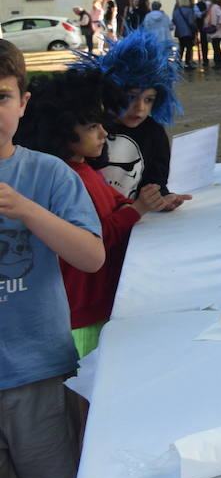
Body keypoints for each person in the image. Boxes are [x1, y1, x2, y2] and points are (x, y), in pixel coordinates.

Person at [0, 40, 103, 478]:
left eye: (1, 97)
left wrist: (24, 210)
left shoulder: (48, 174)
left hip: (36, 372)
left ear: (23, 103)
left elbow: (90, 256)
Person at [15, 68, 167, 358]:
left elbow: (116, 203)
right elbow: (98, 234)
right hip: (85, 308)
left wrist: (151, 202)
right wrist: (138, 209)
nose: (104, 133)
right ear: (62, 130)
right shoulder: (67, 179)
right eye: (92, 127)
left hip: (101, 298)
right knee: (91, 381)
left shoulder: (86, 169)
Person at [81, 31, 190, 212]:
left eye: (148, 100)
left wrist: (162, 198)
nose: (140, 108)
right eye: (131, 98)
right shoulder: (94, 129)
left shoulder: (153, 132)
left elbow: (156, 182)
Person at [171, 0, 199, 70]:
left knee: (181, 47)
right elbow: (191, 22)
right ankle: (187, 63)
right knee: (189, 48)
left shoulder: (176, 11)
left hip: (179, 32)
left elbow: (174, 21)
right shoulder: (189, 10)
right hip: (188, 32)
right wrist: (195, 28)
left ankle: (178, 62)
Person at [203, 0, 221, 69]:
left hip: (216, 31)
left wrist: (219, 24)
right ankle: (218, 62)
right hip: (215, 30)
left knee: (216, 47)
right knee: (216, 47)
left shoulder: (215, 7)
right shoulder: (212, 7)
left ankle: (218, 63)